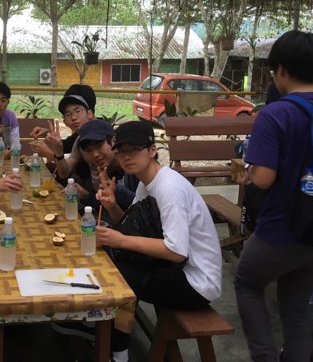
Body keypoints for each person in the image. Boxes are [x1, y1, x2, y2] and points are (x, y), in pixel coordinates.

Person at [234, 30, 313, 362]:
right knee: (296, 307)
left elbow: (264, 180)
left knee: (247, 284)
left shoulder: (276, 113)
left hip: (281, 232)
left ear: (280, 70)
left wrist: (249, 172)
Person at [94, 121, 222, 362]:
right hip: (176, 269)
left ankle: (117, 355)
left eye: (134, 150)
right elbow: (131, 227)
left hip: (196, 282)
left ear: (152, 150)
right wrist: (111, 206)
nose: (127, 157)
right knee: (113, 266)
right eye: (121, 151)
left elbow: (176, 250)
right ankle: (109, 340)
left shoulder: (169, 189)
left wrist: (120, 240)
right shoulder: (147, 183)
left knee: (119, 277)